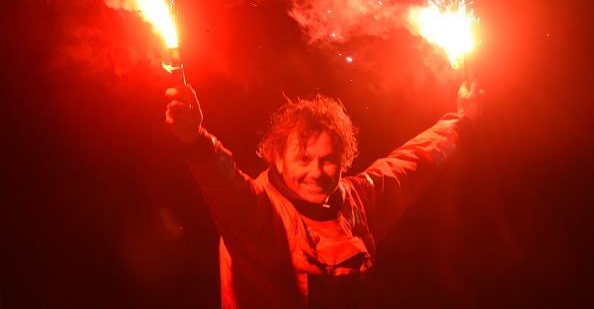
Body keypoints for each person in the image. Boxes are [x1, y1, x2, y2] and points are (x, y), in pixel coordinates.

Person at [165, 81, 484, 308]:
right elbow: (225, 183)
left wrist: (462, 120)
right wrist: (196, 140)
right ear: (278, 158)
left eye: (328, 160)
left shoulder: (356, 200)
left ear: (343, 162)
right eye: (303, 158)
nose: (317, 172)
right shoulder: (261, 214)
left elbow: (414, 162)